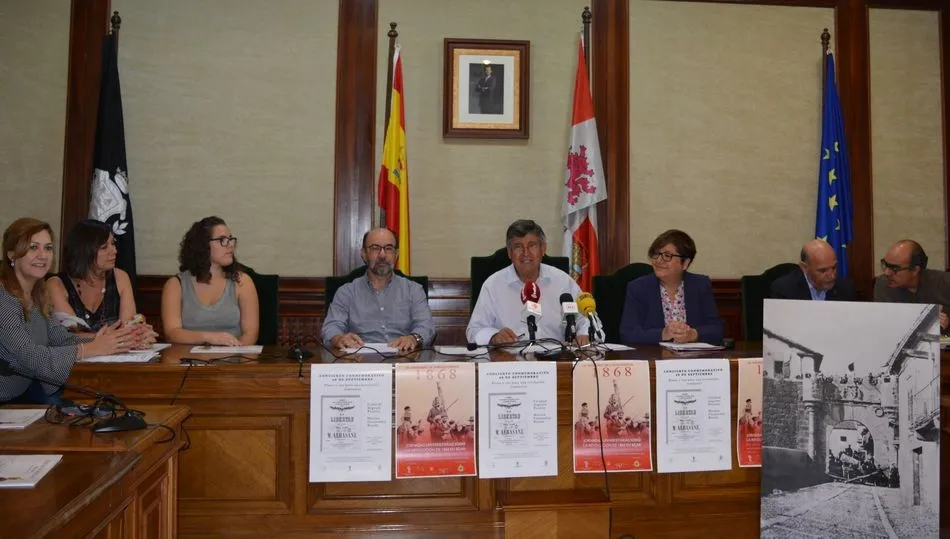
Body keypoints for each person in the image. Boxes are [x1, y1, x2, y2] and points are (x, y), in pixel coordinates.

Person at [0, 218, 137, 403]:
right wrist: (87, 349)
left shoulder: (38, 294)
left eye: (48, 248)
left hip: (24, 393)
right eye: (33, 248)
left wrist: (108, 340)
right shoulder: (4, 298)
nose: (42, 255)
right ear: (11, 254)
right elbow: (30, 357)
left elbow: (60, 339)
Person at [466, 219, 589, 346]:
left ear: (543, 249)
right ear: (509, 252)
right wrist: (494, 336)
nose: (526, 253)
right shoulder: (493, 285)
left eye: (532, 245)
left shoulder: (562, 281)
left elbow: (585, 319)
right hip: (510, 356)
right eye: (518, 247)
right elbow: (474, 331)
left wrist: (583, 334)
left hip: (557, 355)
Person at [322, 228, 434, 352]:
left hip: (404, 357)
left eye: (388, 248)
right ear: (364, 254)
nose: (382, 255)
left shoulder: (414, 290)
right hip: (359, 358)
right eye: (375, 248)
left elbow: (426, 327)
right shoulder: (346, 292)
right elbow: (331, 327)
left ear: (396, 254)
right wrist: (338, 338)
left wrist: (414, 338)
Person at [47, 219, 156, 344]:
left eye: (113, 244)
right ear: (84, 251)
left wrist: (139, 333)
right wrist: (113, 337)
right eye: (104, 247)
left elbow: (129, 328)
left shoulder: (120, 277)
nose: (114, 251)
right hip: (76, 355)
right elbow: (69, 336)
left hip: (116, 355)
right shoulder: (56, 285)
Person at [161, 216, 259, 345]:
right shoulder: (175, 285)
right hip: (188, 356)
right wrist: (209, 337)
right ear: (202, 245)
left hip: (232, 355)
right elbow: (172, 333)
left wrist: (235, 351)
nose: (230, 245)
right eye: (222, 240)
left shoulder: (242, 282)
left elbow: (250, 334)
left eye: (230, 239)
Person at [618, 229, 723, 345]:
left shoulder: (700, 285)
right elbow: (627, 334)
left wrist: (693, 334)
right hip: (655, 355)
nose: (658, 261)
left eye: (667, 256)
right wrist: (663, 334)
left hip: (693, 355)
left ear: (685, 263)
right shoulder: (638, 288)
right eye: (656, 254)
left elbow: (717, 330)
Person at [875, 240, 950, 332]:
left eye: (894, 268)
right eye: (885, 264)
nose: (886, 272)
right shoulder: (883, 284)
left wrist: (947, 323)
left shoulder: (945, 283)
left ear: (915, 270)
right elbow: (881, 325)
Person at [770, 239, 856, 301]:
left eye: (834, 267)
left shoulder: (846, 289)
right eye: (823, 270)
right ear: (804, 268)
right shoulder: (784, 290)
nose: (832, 276)